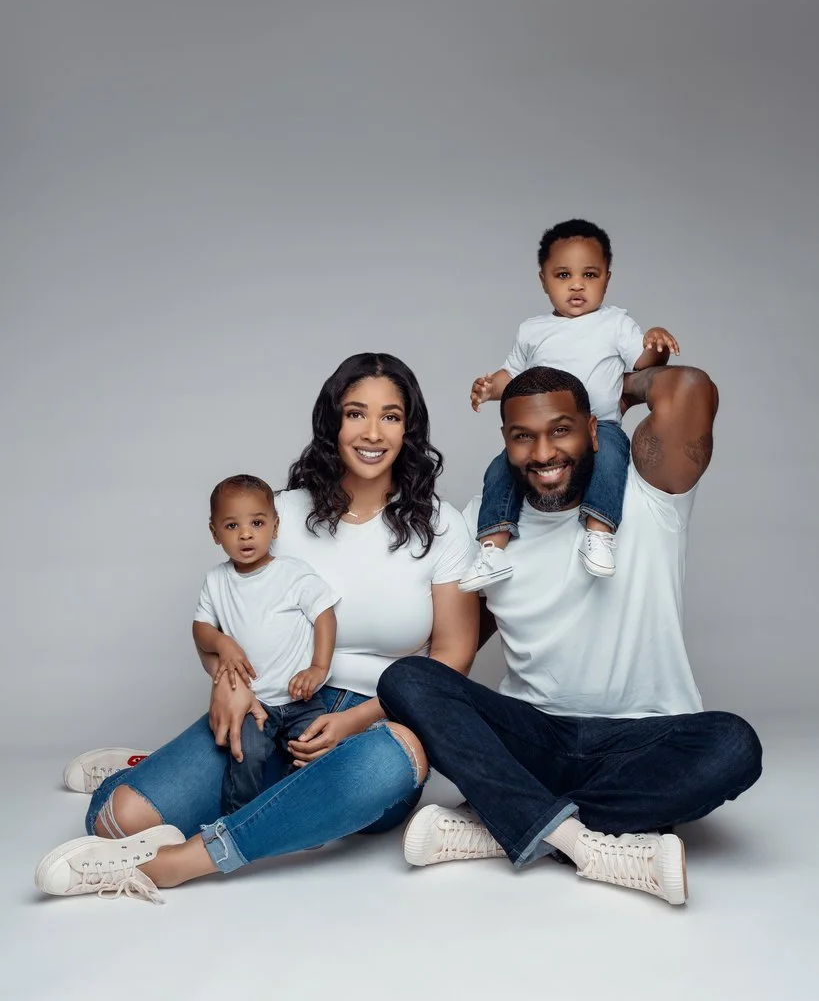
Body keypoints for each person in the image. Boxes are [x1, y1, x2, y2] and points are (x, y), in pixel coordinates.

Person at [35, 353, 478, 903]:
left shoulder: (441, 525)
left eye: (390, 416)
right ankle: (172, 772)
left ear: (408, 428)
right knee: (114, 820)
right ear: (332, 422)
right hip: (273, 707)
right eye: (355, 413)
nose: (372, 432)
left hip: (382, 718)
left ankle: (188, 862)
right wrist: (228, 682)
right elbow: (226, 616)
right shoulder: (281, 514)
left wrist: (356, 720)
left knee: (388, 763)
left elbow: (453, 655)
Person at [378, 364, 763, 906]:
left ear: (592, 429)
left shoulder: (650, 489)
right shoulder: (484, 526)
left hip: (641, 744)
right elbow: (452, 649)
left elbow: (690, 388)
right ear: (505, 440)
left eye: (561, 430)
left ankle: (504, 825)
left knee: (733, 745)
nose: (543, 453)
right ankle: (585, 843)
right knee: (406, 679)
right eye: (523, 436)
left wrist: (618, 388)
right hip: (532, 739)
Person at [460, 218, 679, 591]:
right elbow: (511, 374)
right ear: (543, 280)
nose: (577, 285)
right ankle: (492, 549)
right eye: (563, 275)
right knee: (500, 469)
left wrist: (655, 345)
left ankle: (599, 533)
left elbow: (643, 363)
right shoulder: (532, 330)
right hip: (543, 429)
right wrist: (490, 388)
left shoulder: (614, 323)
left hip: (600, 424)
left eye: (589, 275)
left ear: (607, 278)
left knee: (610, 460)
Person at [194, 473, 338, 815]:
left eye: (257, 523)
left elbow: (325, 615)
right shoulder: (217, 581)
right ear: (214, 533)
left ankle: (291, 815)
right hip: (253, 702)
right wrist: (222, 642)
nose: (245, 534)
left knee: (315, 755)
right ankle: (237, 819)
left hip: (301, 700)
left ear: (275, 527)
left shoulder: (292, 573)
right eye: (232, 526)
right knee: (245, 753)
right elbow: (200, 628)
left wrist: (318, 667)